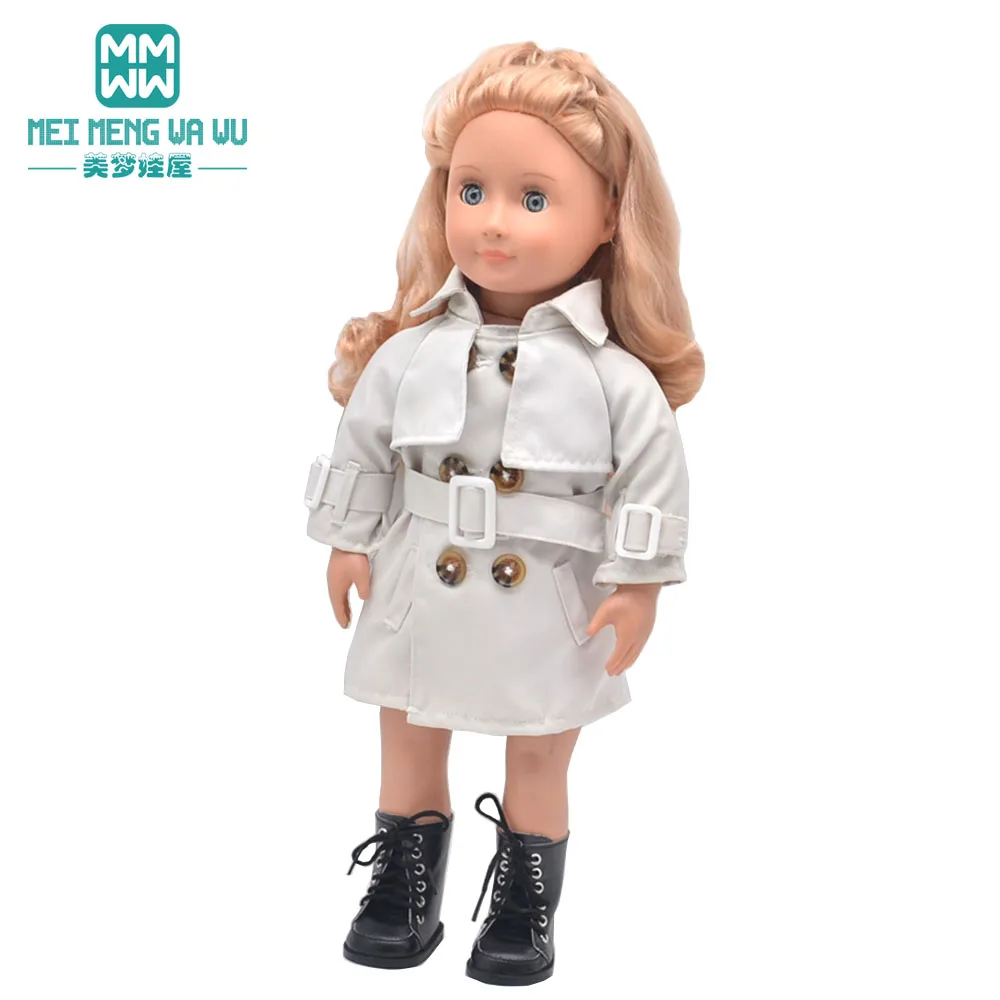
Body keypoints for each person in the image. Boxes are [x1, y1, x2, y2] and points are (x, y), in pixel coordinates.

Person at [303, 40, 704, 986]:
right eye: (471, 190)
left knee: (538, 755)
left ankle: (524, 903)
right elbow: (363, 447)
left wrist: (638, 585)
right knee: (408, 737)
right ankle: (404, 882)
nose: (491, 222)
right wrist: (347, 544)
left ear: (608, 215)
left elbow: (653, 483)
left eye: (533, 199)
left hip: (548, 596)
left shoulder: (613, 375)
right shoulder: (410, 352)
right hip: (419, 580)